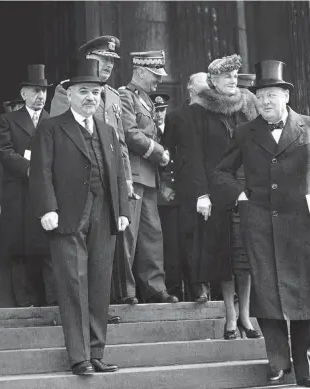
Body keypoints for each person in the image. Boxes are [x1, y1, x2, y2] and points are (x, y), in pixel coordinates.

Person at [211, 60, 310, 387]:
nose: (265, 102)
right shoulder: (245, 132)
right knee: (267, 295)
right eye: (260, 97)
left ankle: (308, 367)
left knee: (305, 297)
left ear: (286, 96)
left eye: (272, 95)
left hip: (304, 227)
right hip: (259, 226)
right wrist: (241, 197)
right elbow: (220, 173)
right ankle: (278, 362)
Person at [29, 58, 130, 375]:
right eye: (84, 91)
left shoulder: (108, 130)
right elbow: (40, 171)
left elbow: (117, 174)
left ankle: (97, 352)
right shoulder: (51, 127)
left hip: (105, 214)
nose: (90, 97)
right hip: (67, 216)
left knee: (100, 283)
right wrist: (47, 208)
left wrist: (123, 211)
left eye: (96, 92)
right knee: (73, 285)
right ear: (69, 94)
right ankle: (79, 357)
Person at [188, 55, 260, 340]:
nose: (232, 80)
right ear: (213, 81)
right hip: (217, 193)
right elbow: (194, 156)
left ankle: (246, 314)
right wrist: (202, 193)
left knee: (246, 255)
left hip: (247, 189)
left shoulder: (248, 105)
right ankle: (230, 314)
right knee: (224, 255)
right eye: (226, 76)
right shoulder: (200, 111)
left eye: (235, 75)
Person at [113, 50, 178, 304]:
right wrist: (159, 152)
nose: (158, 80)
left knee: (152, 235)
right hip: (134, 175)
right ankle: (125, 291)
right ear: (140, 71)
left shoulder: (146, 100)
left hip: (149, 177)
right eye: (154, 75)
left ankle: (154, 287)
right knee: (128, 235)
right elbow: (129, 133)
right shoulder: (124, 96)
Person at [0, 65, 57, 307]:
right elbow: (4, 152)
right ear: (23, 94)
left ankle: (52, 304)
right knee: (20, 252)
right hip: (18, 195)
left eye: (43, 91)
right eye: (35, 91)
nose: (41, 96)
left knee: (47, 250)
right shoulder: (7, 120)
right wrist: (30, 168)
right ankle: (25, 306)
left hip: (44, 195)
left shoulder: (54, 121)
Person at [50, 35, 132, 195]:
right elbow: (59, 137)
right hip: (81, 177)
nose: (109, 65)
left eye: (112, 61)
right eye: (104, 58)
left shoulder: (114, 96)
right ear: (88, 58)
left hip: (113, 176)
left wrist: (127, 178)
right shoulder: (68, 90)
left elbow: (121, 142)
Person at [162, 73, 211, 301]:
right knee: (191, 238)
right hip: (188, 187)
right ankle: (197, 288)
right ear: (190, 88)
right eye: (203, 88)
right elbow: (167, 152)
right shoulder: (176, 117)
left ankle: (220, 290)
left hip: (216, 184)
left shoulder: (217, 114)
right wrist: (168, 182)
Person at [0, 98, 24, 307]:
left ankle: (23, 300)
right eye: (15, 107)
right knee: (2, 253)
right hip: (4, 202)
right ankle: (3, 304)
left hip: (25, 202)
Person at [151, 93, 182, 300]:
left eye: (162, 110)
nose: (159, 114)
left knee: (174, 244)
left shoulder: (173, 131)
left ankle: (174, 289)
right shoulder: (149, 135)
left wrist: (174, 186)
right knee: (154, 245)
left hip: (174, 198)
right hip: (153, 196)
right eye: (156, 110)